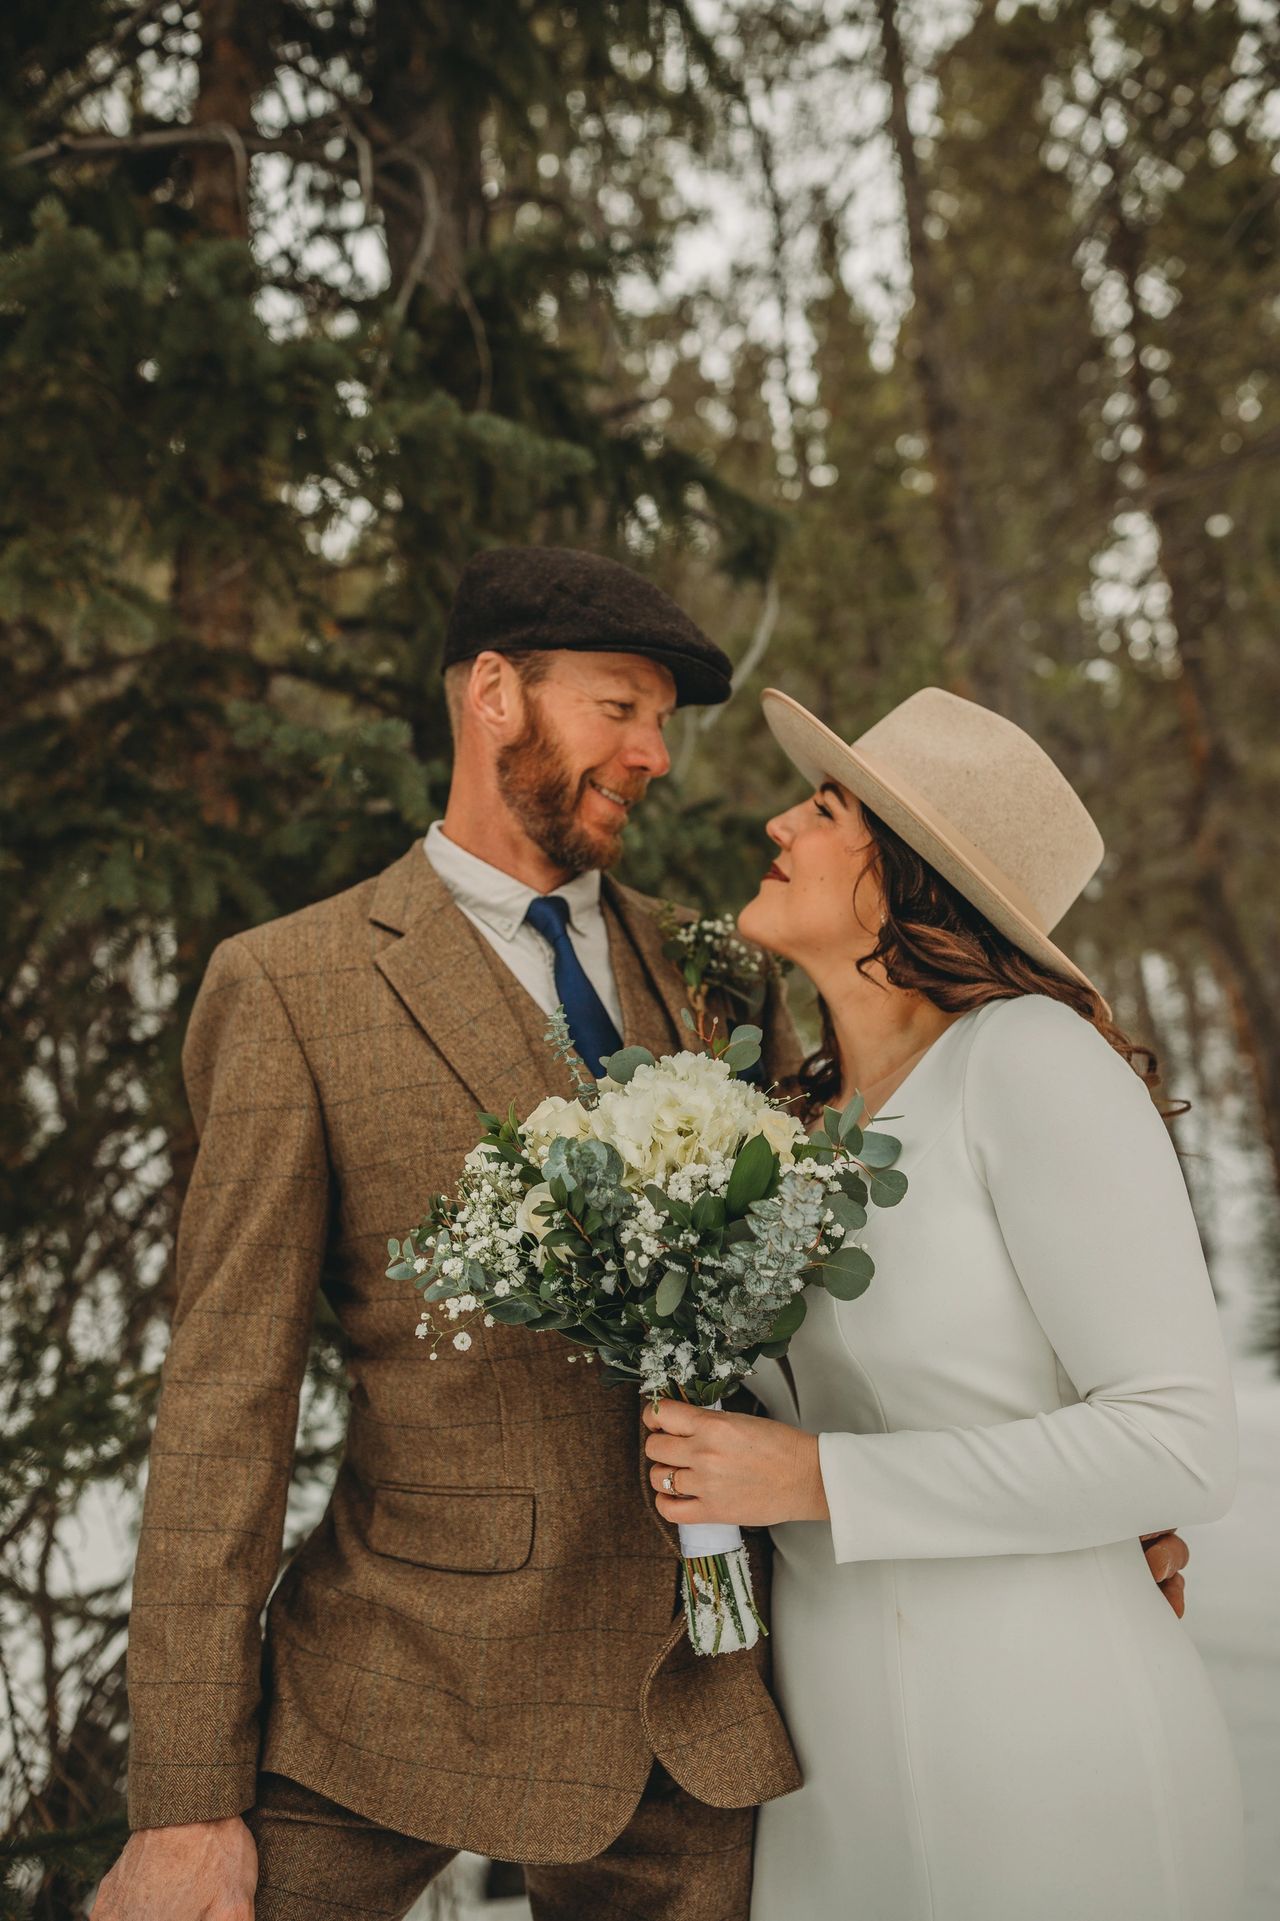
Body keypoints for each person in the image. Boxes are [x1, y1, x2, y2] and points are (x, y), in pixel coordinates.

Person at [93, 547, 804, 1921]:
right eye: (621, 707)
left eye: (664, 720)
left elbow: (817, 1318)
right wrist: (184, 1796)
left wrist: (1051, 1513)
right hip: (398, 1681)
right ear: (494, 693)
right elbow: (227, 1394)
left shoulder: (721, 972)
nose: (654, 753)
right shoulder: (290, 985)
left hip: (697, 1708)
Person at [643, 685, 1243, 1921]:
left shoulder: (1028, 1060)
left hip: (1035, 1743)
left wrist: (817, 1480)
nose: (776, 823)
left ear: (903, 873)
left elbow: (1175, 1437)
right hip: (827, 1766)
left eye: (819, 808)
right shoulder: (795, 1130)